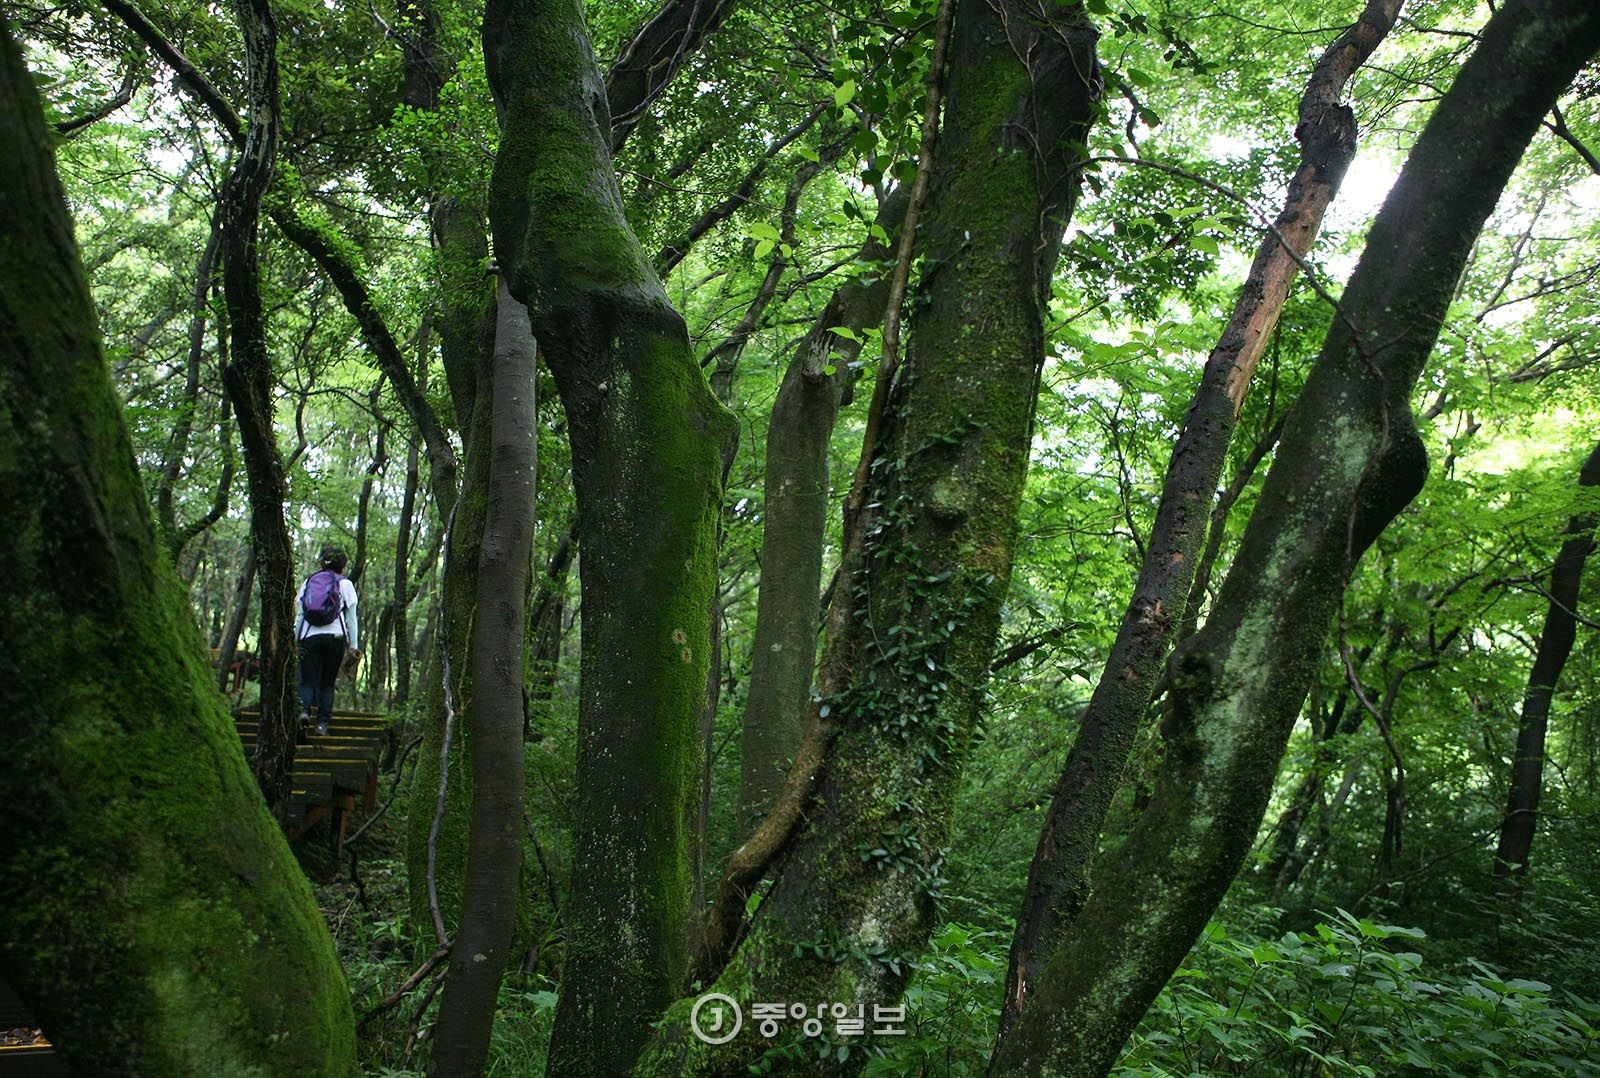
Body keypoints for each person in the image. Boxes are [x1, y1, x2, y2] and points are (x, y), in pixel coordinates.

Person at [295, 544, 360, 737]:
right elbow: (351, 618)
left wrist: (294, 639)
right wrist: (354, 646)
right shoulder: (345, 585)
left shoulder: (309, 582)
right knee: (327, 683)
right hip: (335, 638)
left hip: (309, 637)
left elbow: (300, 615)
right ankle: (322, 725)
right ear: (343, 566)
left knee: (306, 681)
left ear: (322, 563)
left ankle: (304, 712)